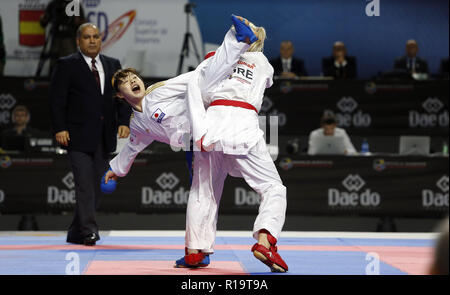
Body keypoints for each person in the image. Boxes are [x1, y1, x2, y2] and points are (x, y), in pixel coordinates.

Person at [183, 17, 289, 273]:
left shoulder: (214, 58)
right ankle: (265, 241)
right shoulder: (264, 64)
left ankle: (195, 251)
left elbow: (203, 91)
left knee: (204, 189)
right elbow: (264, 83)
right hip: (243, 125)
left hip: (212, 123)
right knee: (273, 187)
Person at [49, 23, 131, 246]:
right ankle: (89, 231)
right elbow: (57, 100)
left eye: (96, 36)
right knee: (85, 184)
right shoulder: (67, 65)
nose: (92, 40)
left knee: (98, 186)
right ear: (79, 41)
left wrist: (124, 121)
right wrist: (60, 128)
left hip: (104, 137)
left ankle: (76, 231)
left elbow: (122, 96)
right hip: (77, 136)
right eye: (87, 37)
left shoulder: (112, 64)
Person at [40, 0, 86, 75]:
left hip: (69, 38)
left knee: (71, 62)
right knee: (54, 64)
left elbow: (83, 23)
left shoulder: (75, 4)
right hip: (56, 38)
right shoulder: (53, 4)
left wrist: (77, 21)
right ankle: (54, 82)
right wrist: (43, 19)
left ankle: (71, 83)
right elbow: (44, 22)